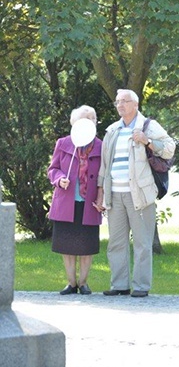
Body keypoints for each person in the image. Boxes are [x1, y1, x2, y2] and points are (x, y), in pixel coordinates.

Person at [96, 89, 175, 298]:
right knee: (116, 242)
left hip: (139, 194)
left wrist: (147, 141)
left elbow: (169, 148)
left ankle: (140, 286)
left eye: (124, 101)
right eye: (117, 102)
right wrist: (100, 194)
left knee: (142, 242)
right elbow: (105, 165)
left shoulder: (148, 126)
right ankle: (119, 284)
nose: (120, 105)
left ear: (135, 104)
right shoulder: (112, 130)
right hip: (115, 194)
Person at [47, 105, 103, 295]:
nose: (90, 122)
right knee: (67, 245)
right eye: (86, 119)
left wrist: (103, 197)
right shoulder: (63, 143)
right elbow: (52, 169)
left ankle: (84, 282)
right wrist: (59, 178)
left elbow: (105, 176)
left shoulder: (100, 146)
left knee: (87, 246)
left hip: (90, 203)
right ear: (75, 123)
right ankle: (71, 283)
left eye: (93, 119)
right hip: (66, 202)